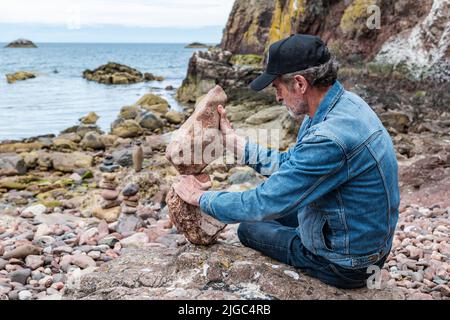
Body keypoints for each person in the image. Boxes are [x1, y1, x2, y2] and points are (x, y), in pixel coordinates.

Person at [174, 34, 400, 289]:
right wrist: (237, 145)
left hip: (348, 264)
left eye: (277, 88)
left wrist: (200, 199)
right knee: (272, 213)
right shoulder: (342, 105)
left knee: (249, 228)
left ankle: (314, 256)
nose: (277, 97)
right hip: (360, 235)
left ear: (300, 84)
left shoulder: (328, 137)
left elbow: (263, 202)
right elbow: (291, 164)